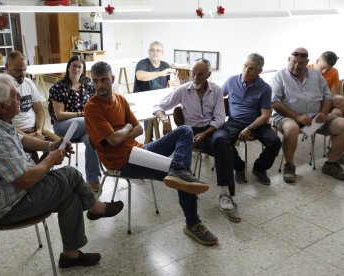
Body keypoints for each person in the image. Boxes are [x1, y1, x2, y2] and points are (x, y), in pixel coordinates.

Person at [0, 74, 124, 269]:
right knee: (70, 174)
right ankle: (96, 208)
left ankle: (71, 255)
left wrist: (50, 146)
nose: (20, 99)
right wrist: (50, 160)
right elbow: (25, 180)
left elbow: (19, 137)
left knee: (69, 193)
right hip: (7, 208)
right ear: (1, 106)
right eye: (15, 97)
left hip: (6, 194)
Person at [85, 61, 218, 246]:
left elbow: (139, 129)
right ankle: (193, 223)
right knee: (184, 178)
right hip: (122, 162)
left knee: (185, 130)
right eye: (96, 81)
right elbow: (115, 140)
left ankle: (178, 170)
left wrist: (123, 131)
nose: (100, 85)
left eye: (104, 80)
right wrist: (128, 127)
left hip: (139, 150)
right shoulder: (92, 108)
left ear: (112, 79)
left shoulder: (120, 99)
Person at [154, 58, 242, 223]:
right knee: (225, 147)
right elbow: (158, 106)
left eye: (200, 74)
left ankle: (225, 193)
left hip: (213, 128)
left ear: (208, 74)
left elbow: (220, 118)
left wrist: (206, 133)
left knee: (222, 141)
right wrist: (165, 120)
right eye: (193, 73)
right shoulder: (183, 90)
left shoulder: (216, 90)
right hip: (192, 131)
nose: (195, 78)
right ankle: (234, 175)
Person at [271, 47, 344, 183]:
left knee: (342, 125)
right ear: (289, 59)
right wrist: (296, 116)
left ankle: (331, 164)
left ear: (307, 62)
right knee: (292, 129)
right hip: (287, 116)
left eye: (301, 63)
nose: (297, 66)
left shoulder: (316, 76)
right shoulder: (279, 76)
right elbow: (275, 102)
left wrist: (323, 112)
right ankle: (290, 166)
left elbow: (327, 97)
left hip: (315, 116)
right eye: (294, 62)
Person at [221, 53, 281, 186]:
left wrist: (249, 128)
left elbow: (265, 115)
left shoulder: (265, 88)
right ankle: (239, 167)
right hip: (234, 122)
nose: (246, 71)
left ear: (259, 71)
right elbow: (216, 98)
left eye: (251, 69)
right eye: (245, 66)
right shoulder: (231, 81)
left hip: (257, 123)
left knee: (275, 142)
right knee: (223, 142)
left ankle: (259, 169)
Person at [48, 55, 101, 192]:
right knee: (93, 122)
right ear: (68, 67)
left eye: (80, 67)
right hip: (63, 126)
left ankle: (93, 180)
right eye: (74, 66)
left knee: (92, 140)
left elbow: (96, 103)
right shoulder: (59, 87)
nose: (76, 69)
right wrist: (82, 114)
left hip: (85, 126)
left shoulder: (88, 84)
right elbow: (59, 115)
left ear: (83, 70)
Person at [5, 51, 59, 162]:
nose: (22, 73)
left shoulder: (29, 83)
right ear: (7, 67)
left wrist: (39, 131)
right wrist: (27, 136)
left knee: (60, 146)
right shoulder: (2, 87)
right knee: (33, 160)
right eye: (18, 70)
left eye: (24, 69)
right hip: (17, 133)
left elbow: (39, 111)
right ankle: (39, 171)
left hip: (35, 129)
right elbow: (4, 124)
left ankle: (40, 170)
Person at [133, 41, 177, 141]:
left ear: (162, 53)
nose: (155, 52)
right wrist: (161, 73)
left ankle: (167, 138)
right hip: (143, 98)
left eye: (158, 50)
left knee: (173, 109)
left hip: (159, 98)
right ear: (148, 52)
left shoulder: (165, 65)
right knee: (150, 114)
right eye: (152, 50)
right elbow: (140, 76)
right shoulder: (142, 63)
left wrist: (175, 83)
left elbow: (173, 81)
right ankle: (149, 139)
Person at [308, 51, 343, 117]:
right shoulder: (306, 70)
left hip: (327, 100)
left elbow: (334, 94)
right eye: (323, 67)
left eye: (328, 69)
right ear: (317, 60)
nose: (324, 71)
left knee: (337, 112)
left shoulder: (334, 71)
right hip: (311, 102)